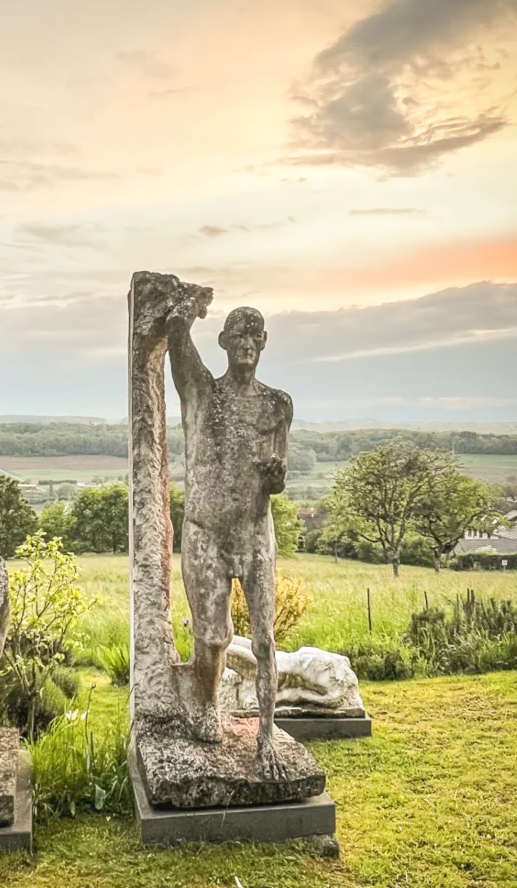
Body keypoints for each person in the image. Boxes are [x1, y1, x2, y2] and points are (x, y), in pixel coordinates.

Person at [167, 301, 292, 779]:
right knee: (214, 636)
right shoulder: (204, 394)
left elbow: (278, 476)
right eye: (237, 338)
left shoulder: (277, 405)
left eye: (253, 339)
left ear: (262, 345)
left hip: (255, 533)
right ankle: (202, 699)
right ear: (223, 344)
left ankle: (266, 738)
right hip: (206, 533)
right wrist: (184, 314)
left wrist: (276, 475)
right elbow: (181, 354)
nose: (245, 346)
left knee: (265, 638)